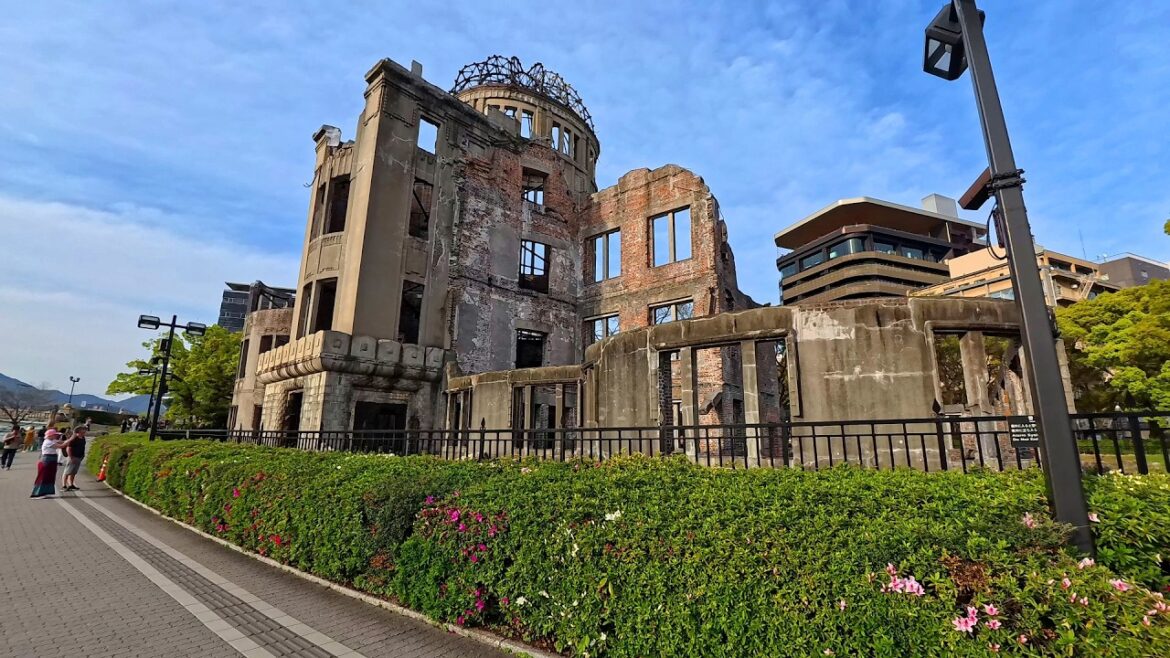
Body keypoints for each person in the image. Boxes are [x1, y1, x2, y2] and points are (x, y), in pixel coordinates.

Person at [30, 429, 70, 498]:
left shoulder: (52, 440)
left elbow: (62, 442)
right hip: (47, 460)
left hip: (52, 460)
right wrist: (71, 439)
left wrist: (70, 439)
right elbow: (61, 446)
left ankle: (45, 492)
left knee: (49, 477)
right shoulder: (47, 442)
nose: (56, 436)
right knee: (43, 477)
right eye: (55, 435)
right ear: (50, 435)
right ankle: (37, 494)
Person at [61, 425, 88, 491]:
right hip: (73, 457)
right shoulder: (74, 438)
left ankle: (71, 484)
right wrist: (71, 457)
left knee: (74, 472)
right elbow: (68, 448)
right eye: (83, 430)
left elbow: (82, 447)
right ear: (79, 431)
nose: (85, 431)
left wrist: (82, 455)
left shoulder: (83, 438)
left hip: (79, 457)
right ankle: (64, 485)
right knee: (67, 471)